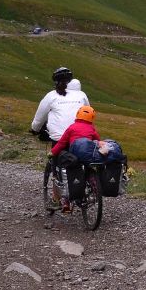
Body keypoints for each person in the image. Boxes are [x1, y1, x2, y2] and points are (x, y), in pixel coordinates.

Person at [30, 67, 89, 209]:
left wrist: (34, 130)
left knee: (58, 168)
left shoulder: (51, 96)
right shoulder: (81, 95)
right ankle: (87, 185)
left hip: (60, 138)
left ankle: (61, 201)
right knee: (82, 162)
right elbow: (88, 113)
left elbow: (39, 118)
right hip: (82, 136)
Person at [50, 105, 101, 213]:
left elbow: (62, 143)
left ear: (77, 114)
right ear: (92, 117)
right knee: (87, 166)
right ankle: (94, 185)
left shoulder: (72, 127)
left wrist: (53, 152)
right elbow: (98, 140)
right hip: (88, 155)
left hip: (75, 155)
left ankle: (66, 202)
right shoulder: (92, 129)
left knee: (68, 173)